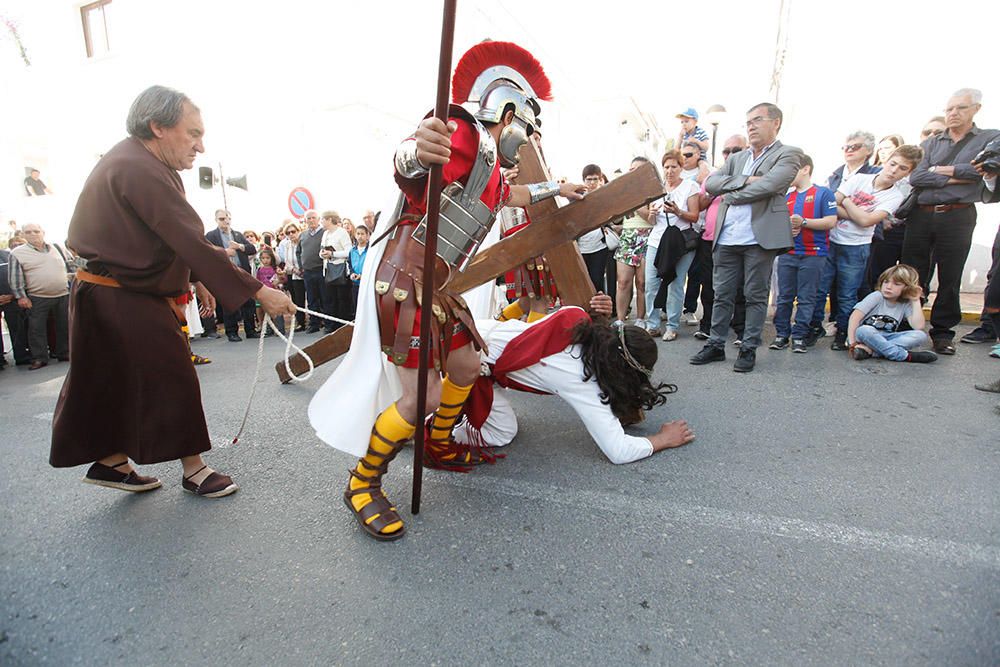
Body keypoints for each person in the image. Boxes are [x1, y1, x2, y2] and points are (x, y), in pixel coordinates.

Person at [308, 41, 586, 541]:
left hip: (439, 285)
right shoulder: (464, 133)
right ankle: (362, 482)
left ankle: (437, 443)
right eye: (527, 130)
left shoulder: (495, 172)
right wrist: (415, 151)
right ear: (510, 115)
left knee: (463, 366)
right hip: (406, 280)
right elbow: (412, 164)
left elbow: (514, 195)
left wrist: (559, 190)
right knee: (424, 395)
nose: (527, 143)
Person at [50, 84, 295, 498]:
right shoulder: (139, 168)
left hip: (108, 292)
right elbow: (191, 241)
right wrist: (259, 291)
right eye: (193, 133)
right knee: (173, 376)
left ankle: (111, 462)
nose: (200, 146)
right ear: (158, 127)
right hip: (121, 295)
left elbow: (164, 240)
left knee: (109, 380)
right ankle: (194, 468)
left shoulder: (134, 161)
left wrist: (198, 282)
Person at [453, 294, 694, 462]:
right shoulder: (584, 383)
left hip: (469, 330)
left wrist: (602, 307)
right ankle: (441, 418)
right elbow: (618, 451)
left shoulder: (576, 315)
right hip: (464, 363)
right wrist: (662, 439)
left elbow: (590, 317)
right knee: (502, 433)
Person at [691, 102, 802, 373]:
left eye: (758, 119)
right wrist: (747, 181)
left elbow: (772, 185)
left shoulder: (789, 154)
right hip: (727, 236)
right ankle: (716, 345)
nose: (751, 125)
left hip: (758, 238)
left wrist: (733, 191)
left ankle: (748, 348)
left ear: (776, 122)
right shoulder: (737, 158)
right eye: (748, 121)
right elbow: (711, 184)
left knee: (755, 295)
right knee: (721, 294)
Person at [901, 88, 1000, 355]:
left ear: (976, 109)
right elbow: (917, 177)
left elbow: (981, 172)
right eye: (949, 109)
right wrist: (960, 174)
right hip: (921, 214)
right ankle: (905, 325)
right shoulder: (932, 142)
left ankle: (943, 333)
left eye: (961, 108)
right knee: (912, 273)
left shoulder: (990, 138)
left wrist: (940, 170)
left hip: (958, 214)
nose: (953, 114)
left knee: (950, 276)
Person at [811, 145, 920, 350]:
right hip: (832, 239)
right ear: (886, 161)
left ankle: (843, 332)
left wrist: (850, 204)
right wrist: (857, 214)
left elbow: (866, 221)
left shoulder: (895, 196)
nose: (894, 170)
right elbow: (833, 204)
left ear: (908, 172)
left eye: (902, 168)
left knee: (847, 293)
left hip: (857, 246)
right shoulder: (860, 178)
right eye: (893, 164)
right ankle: (813, 327)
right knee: (819, 288)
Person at [771, 155, 838, 352]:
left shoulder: (823, 193)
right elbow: (777, 223)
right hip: (787, 253)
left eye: (793, 169)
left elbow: (830, 221)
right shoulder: (786, 196)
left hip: (814, 254)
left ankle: (799, 335)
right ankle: (782, 334)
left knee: (807, 297)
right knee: (784, 296)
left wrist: (804, 222)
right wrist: (787, 228)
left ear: (805, 169)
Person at [694, 135, 748, 342]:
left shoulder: (752, 177)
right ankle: (707, 325)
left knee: (741, 288)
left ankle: (741, 330)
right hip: (710, 239)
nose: (731, 155)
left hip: (740, 240)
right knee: (708, 285)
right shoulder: (713, 178)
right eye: (727, 151)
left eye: (737, 150)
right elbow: (699, 205)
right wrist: (715, 190)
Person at [7, 223, 74, 370]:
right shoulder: (17, 253)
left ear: (43, 232)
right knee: (36, 330)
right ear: (23, 235)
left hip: (63, 294)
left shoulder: (57, 248)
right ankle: (39, 358)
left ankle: (64, 353)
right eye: (28, 232)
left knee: (64, 326)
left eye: (36, 231)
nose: (33, 234)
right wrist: (21, 297)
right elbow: (15, 278)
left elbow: (72, 265)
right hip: (37, 297)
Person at [651, 150, 701, 342]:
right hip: (657, 240)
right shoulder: (656, 188)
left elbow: (694, 216)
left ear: (681, 168)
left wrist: (678, 211)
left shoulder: (690, 186)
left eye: (674, 166)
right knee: (651, 284)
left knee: (676, 284)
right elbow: (650, 219)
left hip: (682, 243)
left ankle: (672, 326)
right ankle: (652, 324)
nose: (670, 171)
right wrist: (652, 213)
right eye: (666, 167)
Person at [847, 264, 936, 363]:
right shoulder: (877, 296)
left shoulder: (905, 303)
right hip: (864, 336)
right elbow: (854, 317)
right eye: (886, 282)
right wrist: (852, 343)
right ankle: (904, 356)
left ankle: (872, 351)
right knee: (864, 330)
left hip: (887, 337)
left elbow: (918, 326)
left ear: (907, 287)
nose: (888, 287)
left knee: (920, 335)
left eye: (896, 284)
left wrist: (915, 301)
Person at [614, 157, 653, 326]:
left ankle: (641, 319)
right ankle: (620, 319)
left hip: (647, 235)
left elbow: (651, 219)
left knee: (642, 282)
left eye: (638, 169)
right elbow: (617, 217)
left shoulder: (652, 190)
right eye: (631, 169)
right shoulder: (624, 191)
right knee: (622, 282)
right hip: (627, 236)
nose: (633, 172)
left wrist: (634, 202)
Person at [578, 164, 611, 294]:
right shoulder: (578, 198)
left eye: (595, 179)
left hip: (600, 246)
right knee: (584, 282)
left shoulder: (605, 198)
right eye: (589, 179)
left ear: (600, 179)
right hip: (582, 247)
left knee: (597, 280)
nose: (592, 182)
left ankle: (600, 312)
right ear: (584, 181)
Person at [319, 210, 353, 332]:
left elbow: (349, 251)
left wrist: (333, 253)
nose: (321, 221)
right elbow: (321, 250)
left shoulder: (342, 232)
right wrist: (323, 254)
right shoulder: (325, 234)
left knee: (342, 300)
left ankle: (342, 327)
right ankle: (331, 326)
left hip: (340, 271)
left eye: (322, 219)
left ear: (329, 219)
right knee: (329, 300)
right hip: (328, 270)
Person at [296, 210, 327, 333]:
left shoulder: (325, 233)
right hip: (308, 272)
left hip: (321, 270)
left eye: (313, 217)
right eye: (308, 218)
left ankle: (327, 324)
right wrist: (301, 266)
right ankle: (314, 324)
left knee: (325, 298)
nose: (311, 220)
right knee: (311, 299)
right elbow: (298, 252)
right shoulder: (303, 235)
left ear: (318, 218)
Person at [0, 246, 31, 368]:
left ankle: (21, 356)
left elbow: (19, 275)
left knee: (17, 327)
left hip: (11, 298)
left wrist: (13, 295)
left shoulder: (8, 255)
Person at [277, 221, 306, 331]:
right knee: (297, 299)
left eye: (293, 231)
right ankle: (301, 322)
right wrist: (294, 270)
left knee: (314, 299)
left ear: (298, 231)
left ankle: (317, 321)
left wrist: (302, 270)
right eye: (288, 233)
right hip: (294, 275)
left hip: (306, 272)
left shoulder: (303, 242)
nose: (291, 234)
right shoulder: (287, 245)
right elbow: (286, 260)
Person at [255, 247, 285, 335]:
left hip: (274, 292)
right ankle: (268, 329)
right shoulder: (260, 270)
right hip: (264, 293)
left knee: (277, 311)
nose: (265, 260)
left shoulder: (275, 269)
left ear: (272, 258)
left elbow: (283, 279)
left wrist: (279, 279)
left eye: (267, 258)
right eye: (263, 258)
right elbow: (258, 281)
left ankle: (279, 329)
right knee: (266, 312)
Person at [347, 224, 369, 318]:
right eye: (358, 234)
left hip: (367, 284)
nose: (360, 236)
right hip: (355, 284)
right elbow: (350, 264)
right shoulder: (352, 250)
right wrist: (352, 273)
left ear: (367, 235)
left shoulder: (371, 250)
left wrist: (362, 275)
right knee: (356, 306)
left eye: (362, 234)